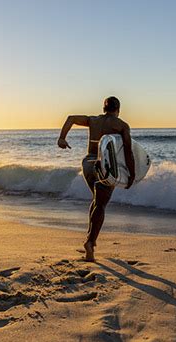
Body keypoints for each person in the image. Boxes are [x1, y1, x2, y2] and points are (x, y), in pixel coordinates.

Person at [57, 96, 135, 261]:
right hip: (104, 166)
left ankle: (89, 239)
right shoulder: (121, 125)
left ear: (104, 108)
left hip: (87, 164)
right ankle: (90, 243)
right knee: (100, 204)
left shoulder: (93, 120)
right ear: (118, 109)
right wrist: (132, 174)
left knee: (96, 200)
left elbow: (70, 118)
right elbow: (128, 151)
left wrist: (62, 137)